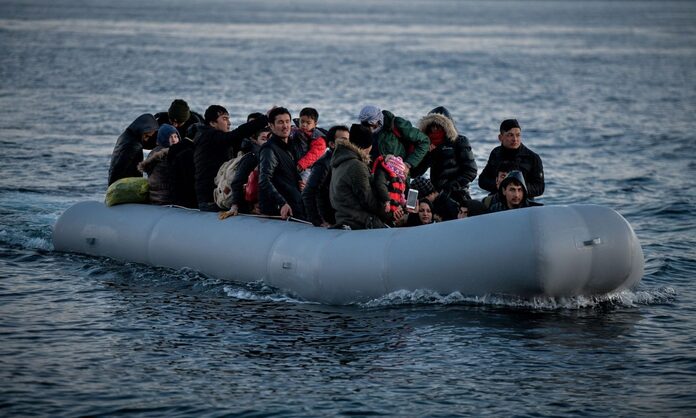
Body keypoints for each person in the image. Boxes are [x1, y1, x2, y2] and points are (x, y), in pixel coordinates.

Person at [193, 105, 269, 211]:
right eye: (224, 119)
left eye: (229, 119)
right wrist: (265, 119)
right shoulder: (210, 137)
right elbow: (237, 134)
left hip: (216, 194)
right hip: (211, 199)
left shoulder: (208, 136)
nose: (229, 123)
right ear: (212, 123)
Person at [330, 124, 388, 230]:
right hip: (360, 222)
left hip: (343, 218)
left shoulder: (339, 162)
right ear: (367, 147)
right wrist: (387, 212)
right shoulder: (356, 166)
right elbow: (367, 199)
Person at [416, 106, 477, 202]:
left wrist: (445, 191)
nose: (434, 129)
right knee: (416, 185)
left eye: (438, 125)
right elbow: (415, 173)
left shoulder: (460, 141)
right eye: (432, 126)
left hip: (457, 192)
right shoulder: (427, 144)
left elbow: (471, 171)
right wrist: (427, 155)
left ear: (446, 126)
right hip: (435, 192)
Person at [258, 107, 306, 220]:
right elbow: (264, 179)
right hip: (280, 208)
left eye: (287, 121)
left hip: (295, 202)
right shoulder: (269, 149)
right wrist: (282, 202)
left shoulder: (292, 146)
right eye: (280, 122)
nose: (285, 126)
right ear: (271, 126)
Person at [479, 119, 545, 198]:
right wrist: (500, 186)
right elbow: (482, 180)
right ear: (500, 138)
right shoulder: (495, 153)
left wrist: (518, 188)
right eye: (510, 135)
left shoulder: (533, 158)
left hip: (523, 202)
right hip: (497, 198)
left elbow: (539, 187)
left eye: (518, 135)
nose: (515, 139)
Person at [358, 105, 429, 176]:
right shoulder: (362, 133)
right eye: (365, 124)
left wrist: (408, 164)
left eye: (372, 124)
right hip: (374, 177)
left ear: (379, 119)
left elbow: (424, 141)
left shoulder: (396, 124)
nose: (370, 128)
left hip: (398, 178)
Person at [218, 125, 271, 219]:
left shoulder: (273, 156)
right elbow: (237, 182)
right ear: (256, 141)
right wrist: (238, 206)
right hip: (251, 205)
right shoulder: (252, 157)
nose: (267, 142)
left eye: (270, 139)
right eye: (263, 139)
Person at [301, 125, 349, 227]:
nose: (347, 144)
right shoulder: (324, 164)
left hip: (340, 216)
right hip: (328, 218)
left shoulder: (344, 161)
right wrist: (318, 221)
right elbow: (308, 193)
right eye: (343, 140)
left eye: (348, 140)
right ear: (331, 144)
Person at [108, 113, 159, 186]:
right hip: (125, 186)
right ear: (142, 130)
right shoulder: (133, 145)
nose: (146, 139)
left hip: (119, 184)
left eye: (148, 137)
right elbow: (119, 169)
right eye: (146, 136)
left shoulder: (127, 136)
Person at [137, 124, 180, 205]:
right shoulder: (171, 154)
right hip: (168, 200)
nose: (174, 140)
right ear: (163, 139)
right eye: (170, 137)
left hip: (154, 197)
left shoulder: (153, 152)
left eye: (175, 136)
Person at [292, 107, 327, 186]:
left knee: (303, 183)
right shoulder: (295, 131)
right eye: (302, 121)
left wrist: (301, 165)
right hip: (294, 164)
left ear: (315, 124)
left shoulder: (318, 137)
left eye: (308, 123)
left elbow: (314, 154)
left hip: (307, 168)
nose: (304, 125)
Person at [371, 154, 407, 226]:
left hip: (394, 209)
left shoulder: (399, 180)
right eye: (399, 173)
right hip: (384, 207)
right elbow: (381, 186)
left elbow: (400, 194)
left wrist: (404, 203)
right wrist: (387, 200)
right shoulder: (382, 173)